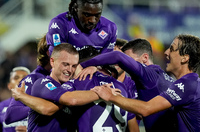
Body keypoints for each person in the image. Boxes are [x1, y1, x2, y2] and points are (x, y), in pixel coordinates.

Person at [11, 46, 139, 132]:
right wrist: (103, 93)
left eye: (73, 66)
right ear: (52, 62)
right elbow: (48, 108)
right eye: (65, 64)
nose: (69, 70)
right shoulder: (42, 83)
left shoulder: (75, 86)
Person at [92, 34, 200, 132]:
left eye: (172, 49)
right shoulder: (181, 82)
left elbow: (146, 109)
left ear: (185, 58)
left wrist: (111, 96)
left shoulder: (188, 84)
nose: (166, 52)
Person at [77, 38, 178, 132]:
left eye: (128, 60)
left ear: (145, 58)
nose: (124, 65)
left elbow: (117, 56)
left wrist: (82, 65)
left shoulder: (149, 76)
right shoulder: (164, 78)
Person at [46, 0, 117, 55]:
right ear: (75, 8)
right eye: (87, 15)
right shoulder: (59, 24)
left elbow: (106, 62)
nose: (92, 20)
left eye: (97, 15)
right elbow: (58, 61)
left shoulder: (110, 28)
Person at [4, 34, 52, 125]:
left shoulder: (72, 75)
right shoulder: (33, 79)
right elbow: (10, 115)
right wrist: (40, 106)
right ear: (49, 52)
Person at [0, 66, 30, 132]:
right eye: (16, 78)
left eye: (25, 77)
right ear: (9, 86)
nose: (20, 80)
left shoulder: (38, 105)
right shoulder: (1, 106)